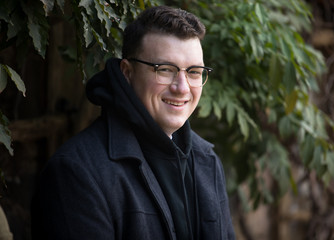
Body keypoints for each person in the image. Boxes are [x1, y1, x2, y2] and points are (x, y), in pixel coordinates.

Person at [31, 5, 235, 240]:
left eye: (194, 72)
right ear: (127, 73)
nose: (182, 87)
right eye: (165, 69)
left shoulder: (207, 161)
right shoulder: (76, 172)